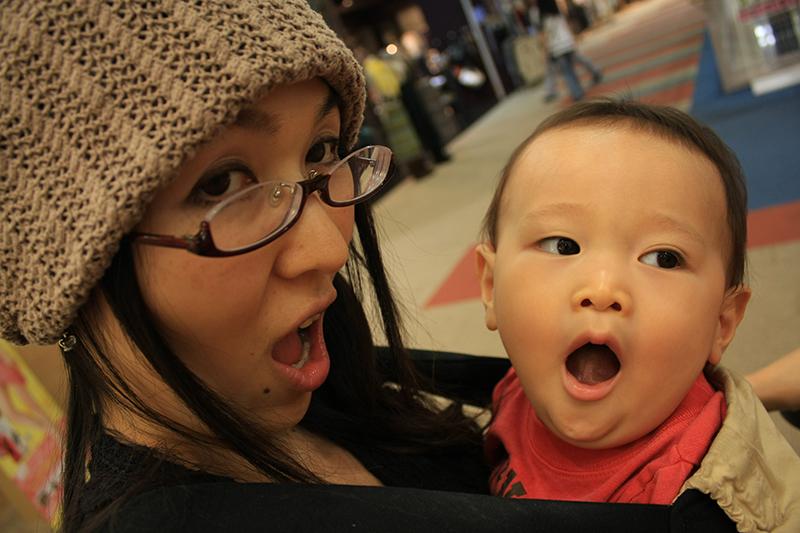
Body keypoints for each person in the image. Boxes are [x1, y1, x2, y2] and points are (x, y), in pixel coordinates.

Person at [0, 2, 491, 531]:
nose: (329, 249)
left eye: (320, 149)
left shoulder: (346, 390)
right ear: (71, 273)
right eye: (221, 184)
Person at [475, 100, 800, 531]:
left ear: (722, 323)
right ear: (492, 287)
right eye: (562, 245)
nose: (603, 289)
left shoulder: (694, 503)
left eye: (663, 258)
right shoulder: (517, 388)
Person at [535, 0, 602, 102]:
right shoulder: (559, 14)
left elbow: (545, 39)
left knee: (568, 72)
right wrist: (574, 36)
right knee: (580, 59)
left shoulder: (544, 20)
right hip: (568, 43)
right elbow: (567, 25)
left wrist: (545, 53)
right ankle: (595, 70)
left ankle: (577, 93)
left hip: (557, 48)